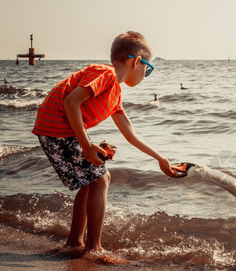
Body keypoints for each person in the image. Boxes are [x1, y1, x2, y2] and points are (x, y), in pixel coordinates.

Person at [32, 31, 179, 252]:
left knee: (92, 178)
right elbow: (71, 103)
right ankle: (95, 248)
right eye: (147, 70)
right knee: (102, 179)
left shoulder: (115, 96)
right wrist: (86, 146)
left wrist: (160, 158)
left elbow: (130, 134)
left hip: (61, 130)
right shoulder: (105, 74)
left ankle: (75, 241)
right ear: (137, 61)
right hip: (56, 128)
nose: (145, 75)